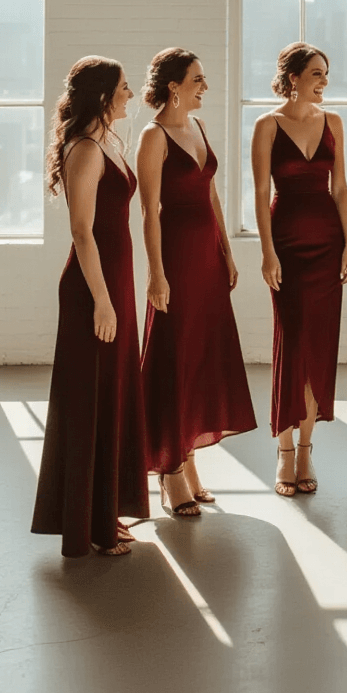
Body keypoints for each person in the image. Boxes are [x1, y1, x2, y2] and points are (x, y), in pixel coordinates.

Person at [32, 57, 149, 557]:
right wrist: (102, 301)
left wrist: (114, 294)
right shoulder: (84, 149)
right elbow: (82, 231)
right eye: (123, 88)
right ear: (102, 96)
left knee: (111, 396)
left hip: (113, 284)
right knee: (89, 401)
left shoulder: (105, 143)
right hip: (91, 290)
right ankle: (92, 525)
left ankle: (105, 513)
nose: (131, 96)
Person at [137, 48, 256, 517]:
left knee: (202, 356)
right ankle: (170, 471)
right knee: (176, 357)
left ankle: (187, 462)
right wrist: (156, 273)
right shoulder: (154, 136)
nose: (205, 86)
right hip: (177, 256)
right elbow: (149, 212)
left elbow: (211, 194)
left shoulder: (198, 126)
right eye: (198, 79)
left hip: (206, 255)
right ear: (174, 86)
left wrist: (225, 249)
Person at [251, 43, 347, 497]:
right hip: (287, 246)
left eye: (325, 74)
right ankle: (284, 450)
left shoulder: (334, 122)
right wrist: (268, 252)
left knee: (318, 347)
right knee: (291, 344)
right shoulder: (267, 125)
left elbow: (341, 189)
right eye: (316, 73)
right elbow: (260, 194)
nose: (324, 82)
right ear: (293, 78)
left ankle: (307, 449)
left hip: (328, 245)